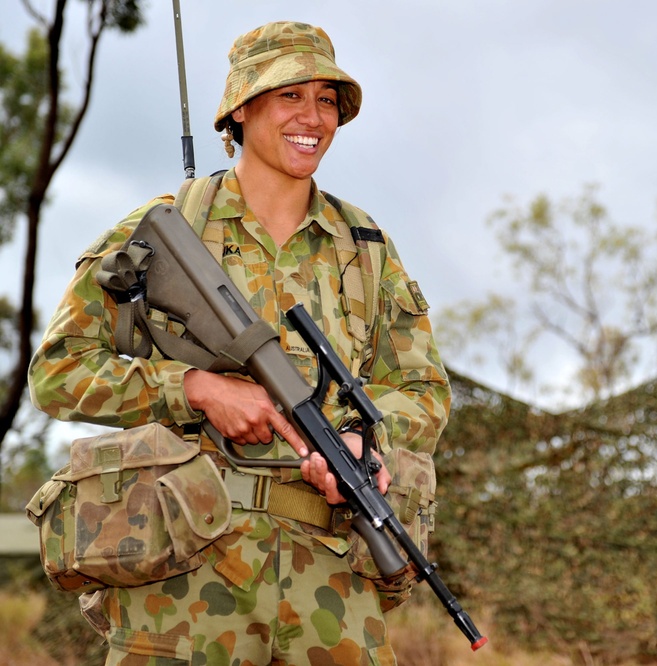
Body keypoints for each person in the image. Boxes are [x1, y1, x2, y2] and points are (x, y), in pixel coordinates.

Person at [27, 20, 450, 665]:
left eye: (328, 101)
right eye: (290, 95)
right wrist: (194, 387)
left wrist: (369, 440)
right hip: (188, 571)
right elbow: (58, 371)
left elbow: (423, 391)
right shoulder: (169, 231)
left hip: (331, 577)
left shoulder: (365, 248)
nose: (313, 117)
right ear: (242, 108)